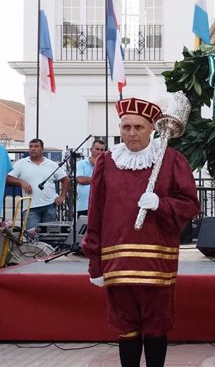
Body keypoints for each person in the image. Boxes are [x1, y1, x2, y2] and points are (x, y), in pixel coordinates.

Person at [82, 97, 199, 367]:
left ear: (152, 129)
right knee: (126, 327)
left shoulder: (170, 159)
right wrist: (95, 263)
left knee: (156, 327)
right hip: (117, 262)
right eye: (126, 127)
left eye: (138, 127)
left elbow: (190, 203)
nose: (132, 133)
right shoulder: (108, 162)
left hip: (156, 262)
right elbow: (96, 212)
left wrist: (161, 203)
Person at [7, 138, 69, 231]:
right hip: (30, 207)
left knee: (48, 238)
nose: (33, 148)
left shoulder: (51, 164)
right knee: (32, 238)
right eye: (31, 146)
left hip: (50, 206)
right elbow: (8, 178)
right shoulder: (21, 163)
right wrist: (21, 182)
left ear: (42, 149)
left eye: (36, 146)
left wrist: (62, 196)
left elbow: (66, 180)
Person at [76, 139, 106, 217]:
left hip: (100, 205)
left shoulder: (106, 165)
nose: (99, 152)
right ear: (91, 149)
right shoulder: (81, 163)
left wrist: (97, 165)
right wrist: (98, 180)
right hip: (84, 205)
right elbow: (80, 179)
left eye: (102, 150)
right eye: (97, 149)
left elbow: (106, 181)